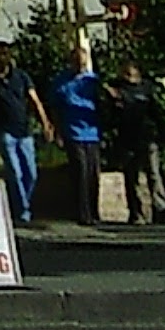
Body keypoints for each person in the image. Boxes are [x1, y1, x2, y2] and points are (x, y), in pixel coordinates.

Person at [0, 49, 51, 227]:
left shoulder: (21, 77)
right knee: (15, 172)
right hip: (3, 130)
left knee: (31, 173)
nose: (1, 58)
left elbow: (34, 100)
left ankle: (21, 204)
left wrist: (45, 123)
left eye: (4, 54)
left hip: (24, 130)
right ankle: (23, 211)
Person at [102, 56, 165, 226]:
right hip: (127, 138)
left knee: (153, 173)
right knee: (132, 178)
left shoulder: (146, 89)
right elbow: (111, 114)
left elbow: (155, 112)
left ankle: (160, 207)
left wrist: (163, 131)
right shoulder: (116, 89)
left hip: (146, 137)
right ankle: (136, 212)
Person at [53, 44, 105, 223]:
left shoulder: (92, 81)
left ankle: (94, 211)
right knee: (81, 171)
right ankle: (82, 213)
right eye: (76, 63)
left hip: (92, 133)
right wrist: (57, 131)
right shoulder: (61, 82)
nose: (79, 68)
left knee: (93, 174)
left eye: (82, 64)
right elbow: (55, 107)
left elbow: (101, 105)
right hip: (73, 132)